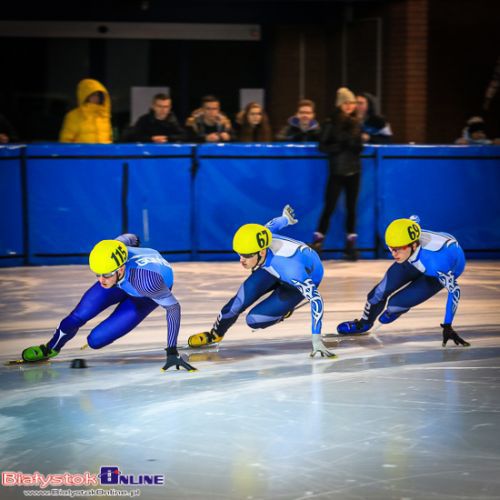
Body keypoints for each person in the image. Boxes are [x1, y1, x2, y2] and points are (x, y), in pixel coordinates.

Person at [21, 234, 196, 372]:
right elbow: (131, 237)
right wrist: (133, 245)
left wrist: (171, 351)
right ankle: (51, 348)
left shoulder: (148, 282)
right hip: (122, 282)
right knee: (77, 316)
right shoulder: (114, 248)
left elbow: (173, 308)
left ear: (120, 269)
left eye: (105, 275)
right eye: (97, 274)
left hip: (143, 297)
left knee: (95, 340)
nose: (101, 280)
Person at [187, 205, 335, 358]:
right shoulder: (263, 235)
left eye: (246, 255)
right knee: (238, 302)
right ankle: (215, 334)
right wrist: (286, 218)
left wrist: (316, 340)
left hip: (296, 280)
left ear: (262, 251)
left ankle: (284, 310)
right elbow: (276, 223)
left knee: (254, 320)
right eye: (239, 255)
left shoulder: (290, 269)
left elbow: (316, 299)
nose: (241, 261)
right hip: (272, 268)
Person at [337, 217, 471, 348]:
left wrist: (448, 325)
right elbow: (414, 219)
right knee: (377, 294)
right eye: (391, 248)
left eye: (398, 249)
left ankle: (396, 310)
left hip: (440, 270)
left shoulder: (436, 265)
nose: (394, 254)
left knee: (394, 306)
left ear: (413, 245)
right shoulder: (408, 246)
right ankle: (364, 323)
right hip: (415, 258)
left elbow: (454, 291)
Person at [311, 87, 363, 260]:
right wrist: (339, 147)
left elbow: (359, 148)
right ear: (340, 104)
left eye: (352, 103)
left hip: (354, 170)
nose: (349, 106)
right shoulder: (331, 122)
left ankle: (351, 245)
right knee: (329, 206)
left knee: (351, 208)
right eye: (346, 103)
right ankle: (318, 242)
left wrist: (355, 144)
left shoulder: (356, 122)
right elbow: (322, 146)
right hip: (337, 170)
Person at [59, 78, 112, 143]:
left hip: (103, 153)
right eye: (93, 94)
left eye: (98, 95)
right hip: (81, 153)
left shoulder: (103, 115)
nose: (96, 98)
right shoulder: (74, 116)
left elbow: (108, 139)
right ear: (85, 95)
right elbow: (65, 141)